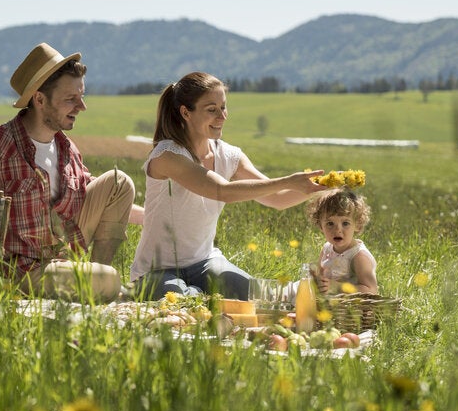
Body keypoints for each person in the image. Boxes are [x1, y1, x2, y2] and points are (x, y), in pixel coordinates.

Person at [0, 43, 139, 296]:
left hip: (64, 257)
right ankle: (100, 284)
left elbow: (97, 196)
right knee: (111, 283)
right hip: (20, 270)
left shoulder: (67, 148)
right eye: (71, 99)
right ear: (39, 99)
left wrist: (159, 218)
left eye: (82, 96)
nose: (81, 106)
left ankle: (96, 276)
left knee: (119, 181)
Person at [130, 72, 329, 300]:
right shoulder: (167, 155)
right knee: (181, 307)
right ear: (186, 112)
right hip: (157, 270)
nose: (222, 116)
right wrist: (288, 180)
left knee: (257, 298)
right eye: (212, 109)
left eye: (224, 107)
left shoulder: (229, 155)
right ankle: (200, 295)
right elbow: (221, 191)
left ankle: (209, 294)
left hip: (205, 262)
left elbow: (278, 198)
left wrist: (323, 187)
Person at [307, 187, 378, 295]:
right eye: (330, 223)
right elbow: (321, 274)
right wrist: (316, 278)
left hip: (349, 308)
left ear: (357, 224)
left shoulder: (358, 256)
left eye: (345, 223)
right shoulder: (327, 248)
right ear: (321, 226)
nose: (337, 230)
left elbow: (371, 290)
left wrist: (337, 286)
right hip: (328, 304)